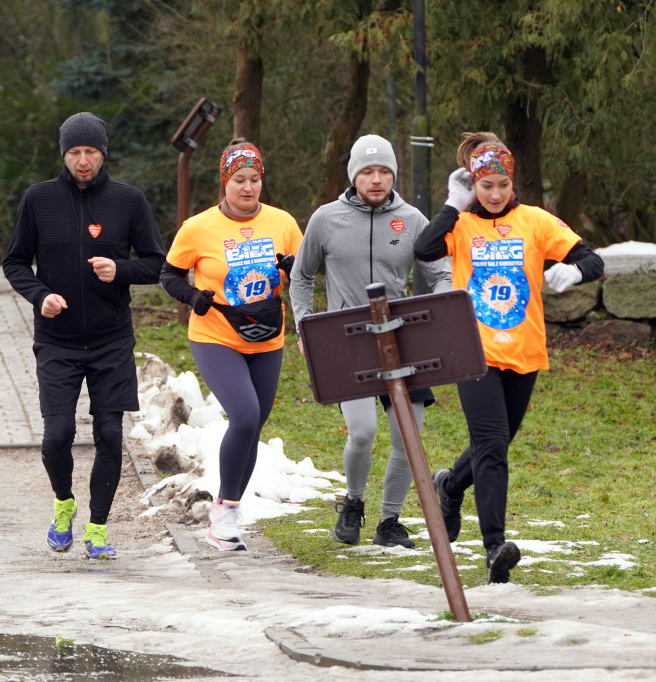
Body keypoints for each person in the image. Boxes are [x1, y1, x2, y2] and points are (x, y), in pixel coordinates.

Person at [414, 132, 604, 583]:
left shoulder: (535, 221)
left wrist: (572, 270)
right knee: (494, 444)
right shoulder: (460, 223)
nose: (495, 194)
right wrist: (452, 205)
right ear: (473, 186)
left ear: (512, 183)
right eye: (485, 186)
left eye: (502, 185)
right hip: (473, 351)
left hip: (524, 351)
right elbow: (423, 250)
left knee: (493, 445)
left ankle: (451, 484)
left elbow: (592, 258)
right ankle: (495, 547)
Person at [3, 112, 166, 560]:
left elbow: (157, 262)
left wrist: (121, 271)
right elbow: (15, 262)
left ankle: (97, 529)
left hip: (112, 339)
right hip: (57, 339)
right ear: (63, 154)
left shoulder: (128, 201)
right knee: (56, 434)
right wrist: (40, 296)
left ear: (103, 153)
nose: (82, 161)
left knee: (110, 435)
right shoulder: (38, 200)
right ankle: (63, 503)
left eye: (90, 152)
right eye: (74, 152)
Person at [289, 134, 452, 549]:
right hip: (349, 341)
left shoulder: (413, 219)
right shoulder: (326, 219)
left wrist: (435, 313)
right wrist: (305, 325)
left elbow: (441, 274)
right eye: (367, 171)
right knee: (361, 432)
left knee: (407, 438)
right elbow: (301, 275)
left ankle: (389, 521)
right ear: (353, 175)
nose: (376, 179)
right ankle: (353, 504)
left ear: (393, 175)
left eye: (383, 171)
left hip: (404, 342)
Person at [160, 139, 302, 551]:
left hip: (267, 336)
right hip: (216, 335)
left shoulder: (283, 223)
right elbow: (168, 275)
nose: (248, 187)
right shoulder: (198, 228)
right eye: (239, 179)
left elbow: (307, 272)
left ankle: (229, 509)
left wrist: (296, 267)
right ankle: (222, 513)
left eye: (255, 179)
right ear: (225, 181)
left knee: (253, 426)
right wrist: (191, 297)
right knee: (244, 414)